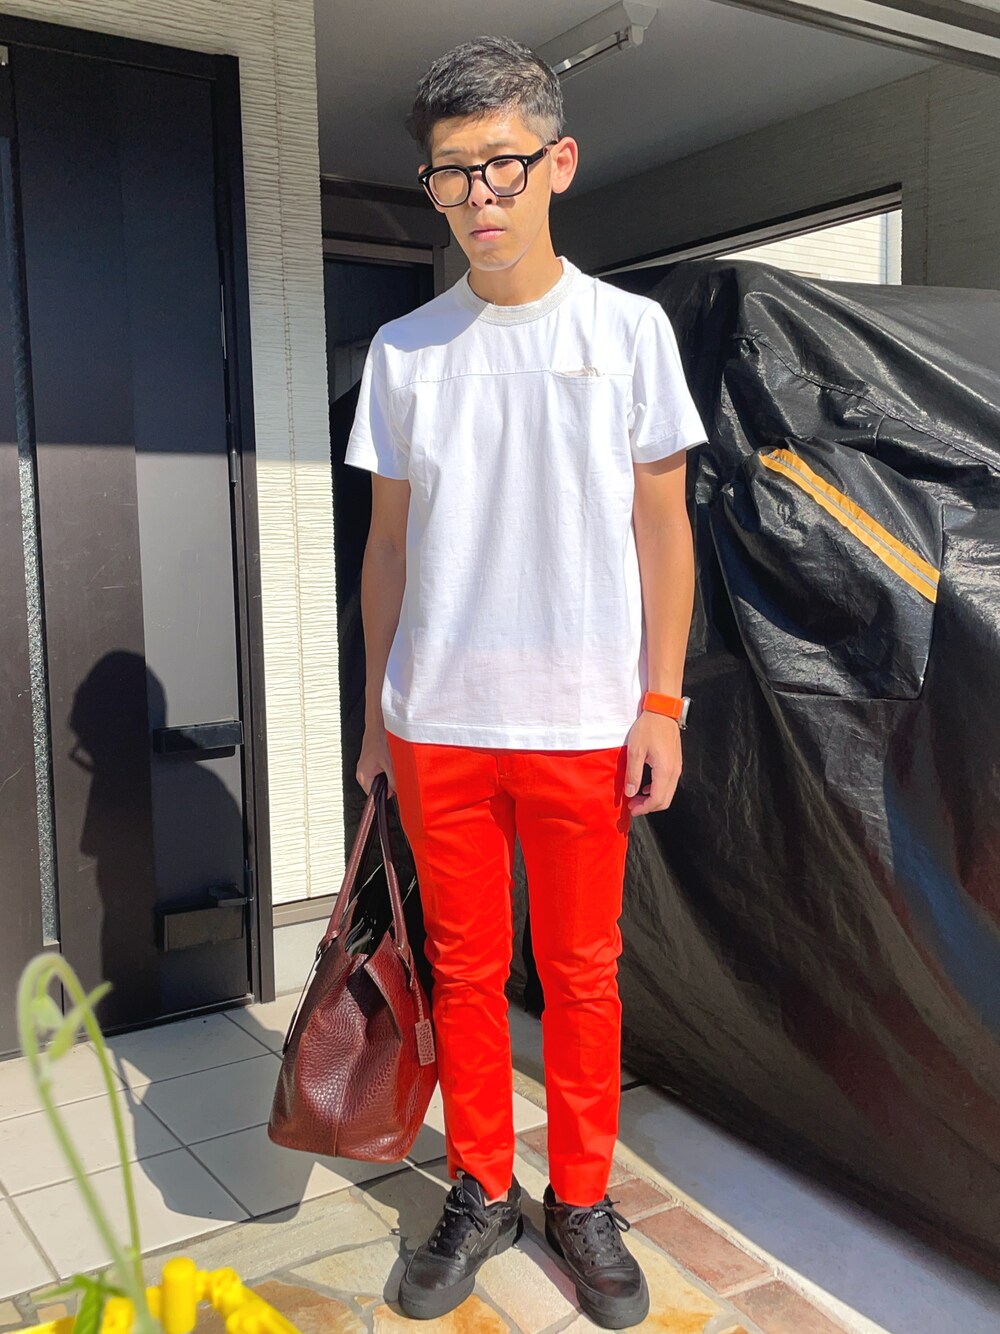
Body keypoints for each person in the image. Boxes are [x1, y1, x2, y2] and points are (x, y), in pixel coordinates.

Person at [346, 34, 706, 1329]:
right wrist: (375, 719)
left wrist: (661, 701)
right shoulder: (405, 351)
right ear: (433, 189)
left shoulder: (628, 332)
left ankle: (584, 1197)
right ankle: (484, 1182)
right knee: (463, 969)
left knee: (584, 970)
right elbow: (388, 548)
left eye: (501, 165)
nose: (479, 197)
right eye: (452, 174)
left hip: (582, 718)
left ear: (558, 162)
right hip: (437, 718)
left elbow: (664, 528)